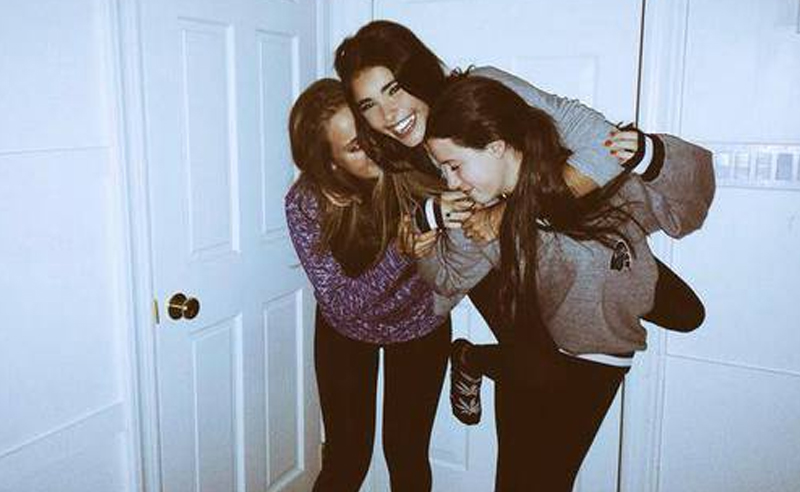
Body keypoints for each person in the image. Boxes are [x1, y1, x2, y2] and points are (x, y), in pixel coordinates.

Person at [422, 74, 715, 491]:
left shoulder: (590, 177)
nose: (451, 182)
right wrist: (424, 238)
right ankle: (473, 359)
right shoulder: (480, 221)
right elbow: (447, 283)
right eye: (443, 170)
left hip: (606, 354)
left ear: (496, 146)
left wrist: (653, 155)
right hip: (545, 351)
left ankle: (473, 357)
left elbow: (689, 208)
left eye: (454, 166)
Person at [285, 78, 455, 492]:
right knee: (347, 460)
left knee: (407, 455)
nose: (375, 148)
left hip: (420, 328)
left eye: (368, 133)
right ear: (330, 163)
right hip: (346, 333)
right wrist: (403, 250)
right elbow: (341, 303)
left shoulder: (416, 166)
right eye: (355, 147)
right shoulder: (306, 203)